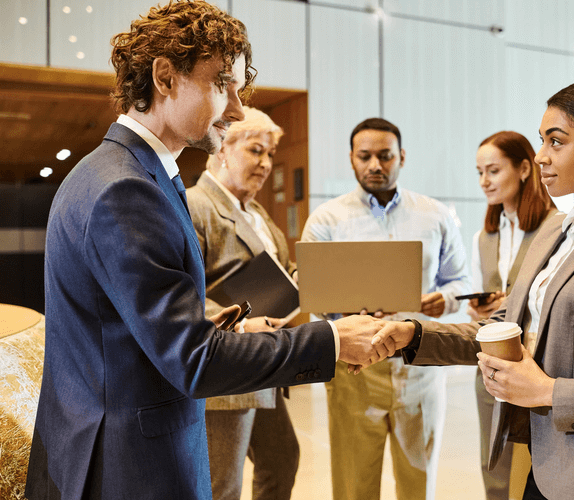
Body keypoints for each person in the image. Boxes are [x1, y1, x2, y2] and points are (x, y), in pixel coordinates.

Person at [25, 3, 386, 499]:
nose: (237, 109)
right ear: (165, 76)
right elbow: (192, 358)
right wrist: (334, 340)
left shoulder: (133, 173)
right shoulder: (124, 189)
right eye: (223, 85)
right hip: (129, 467)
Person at [372, 77, 574, 500]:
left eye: (556, 142)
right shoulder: (558, 233)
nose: (541, 157)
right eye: (541, 140)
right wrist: (414, 334)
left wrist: (548, 391)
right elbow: (504, 329)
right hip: (545, 466)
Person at [301, 117, 471, 500]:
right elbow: (311, 295)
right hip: (354, 368)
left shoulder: (435, 215)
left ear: (401, 156)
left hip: (421, 365)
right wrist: (342, 309)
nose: (375, 165)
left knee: (418, 481)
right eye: (365, 156)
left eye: (385, 155)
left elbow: (460, 281)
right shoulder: (327, 220)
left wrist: (442, 299)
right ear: (351, 159)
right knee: (353, 483)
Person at [186, 106, 299, 500]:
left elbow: (280, 273)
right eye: (256, 151)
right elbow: (179, 295)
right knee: (223, 485)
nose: (266, 164)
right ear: (222, 149)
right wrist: (239, 325)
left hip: (265, 366)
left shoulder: (257, 213)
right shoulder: (194, 205)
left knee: (282, 460)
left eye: (270, 154)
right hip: (227, 370)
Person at [469, 131, 555, 499]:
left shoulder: (555, 227)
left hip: (534, 365)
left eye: (493, 170)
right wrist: (479, 307)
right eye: (479, 172)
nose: (484, 181)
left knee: (528, 470)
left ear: (523, 169)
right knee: (495, 464)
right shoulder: (483, 237)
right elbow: (474, 302)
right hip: (489, 364)